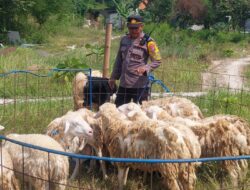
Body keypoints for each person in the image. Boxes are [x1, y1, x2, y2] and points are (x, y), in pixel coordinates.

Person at [109, 15, 162, 107]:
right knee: (119, 111)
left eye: (136, 28)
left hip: (140, 85)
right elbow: (119, 60)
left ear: (141, 26)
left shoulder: (149, 42)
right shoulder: (124, 40)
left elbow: (157, 60)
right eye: (131, 28)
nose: (133, 30)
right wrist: (113, 77)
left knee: (143, 113)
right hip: (124, 84)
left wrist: (145, 68)